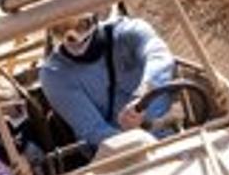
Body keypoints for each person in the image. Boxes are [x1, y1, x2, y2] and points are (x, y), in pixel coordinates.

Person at [38, 9, 175, 150]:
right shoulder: (55, 75)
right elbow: (94, 130)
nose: (74, 38)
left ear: (95, 17)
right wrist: (143, 145)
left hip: (169, 132)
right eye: (61, 31)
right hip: (119, 150)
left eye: (81, 26)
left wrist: (144, 94)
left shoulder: (129, 33)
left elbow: (159, 56)